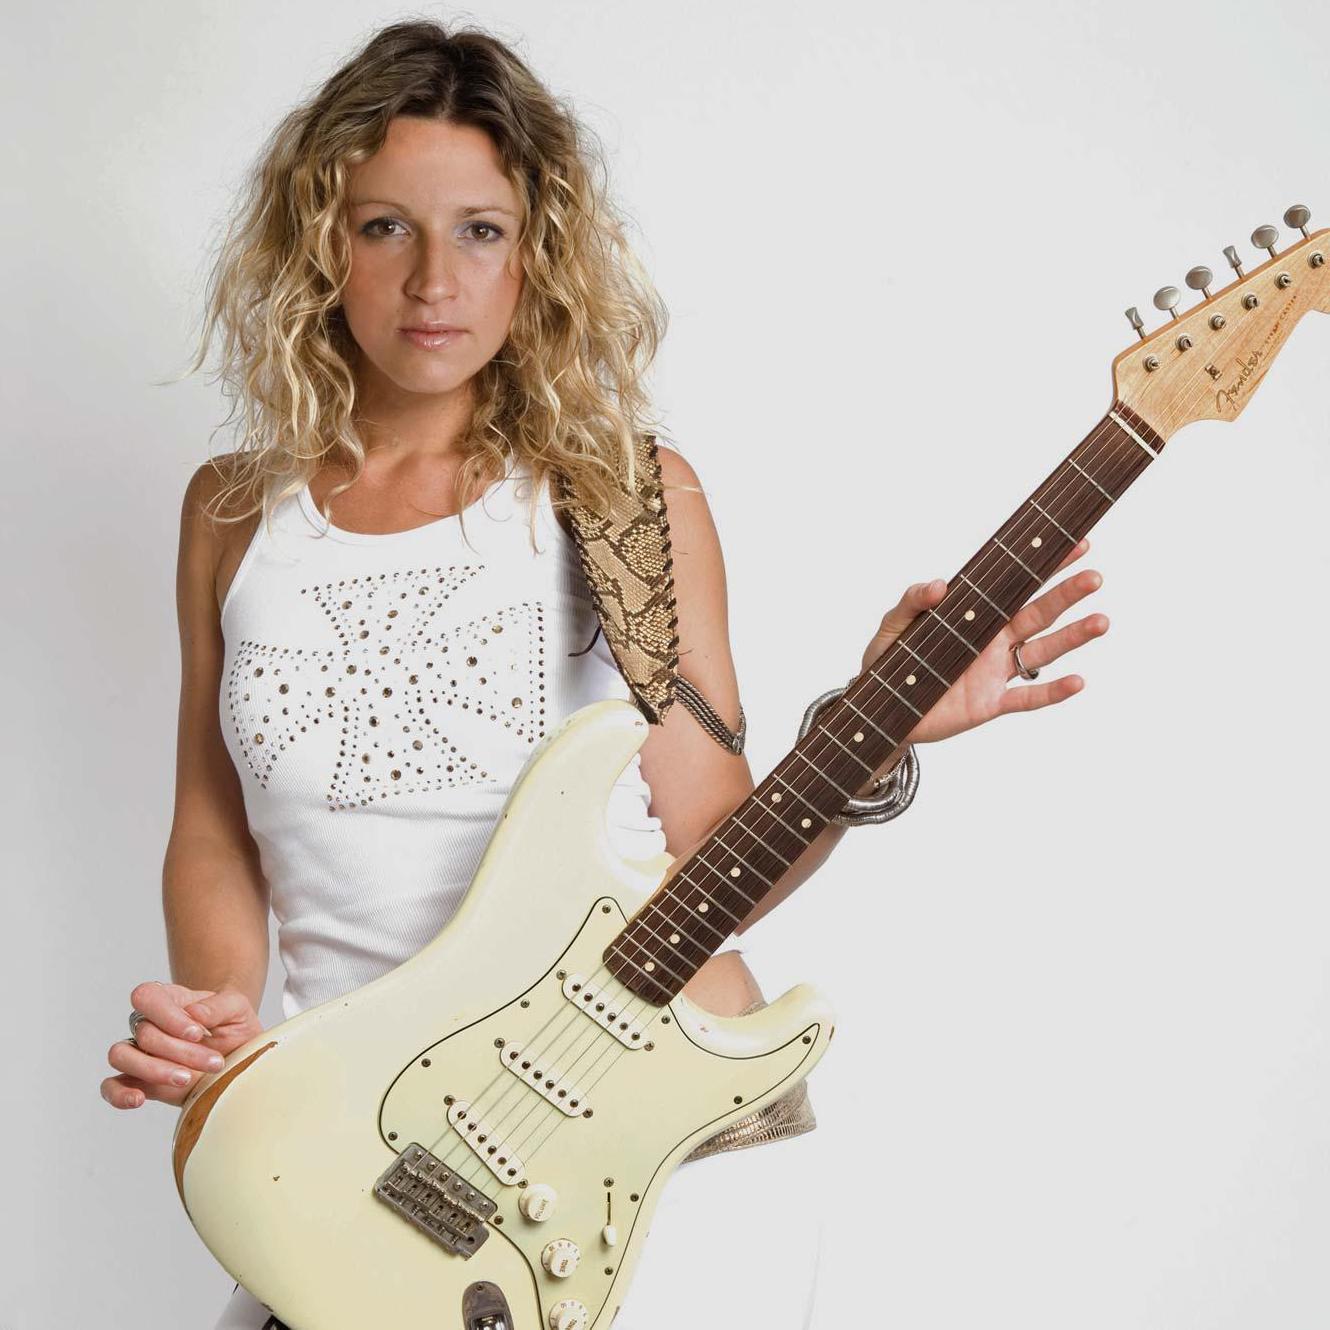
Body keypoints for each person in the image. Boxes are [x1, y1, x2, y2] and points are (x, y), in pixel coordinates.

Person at [98, 20, 1109, 1329]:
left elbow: (716, 855)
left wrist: (880, 727)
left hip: (642, 1163)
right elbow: (215, 822)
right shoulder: (233, 512)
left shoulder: (623, 498)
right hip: (369, 1161)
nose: (433, 282)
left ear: (539, 253)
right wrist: (217, 1017)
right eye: (384, 227)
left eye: (480, 230)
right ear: (318, 244)